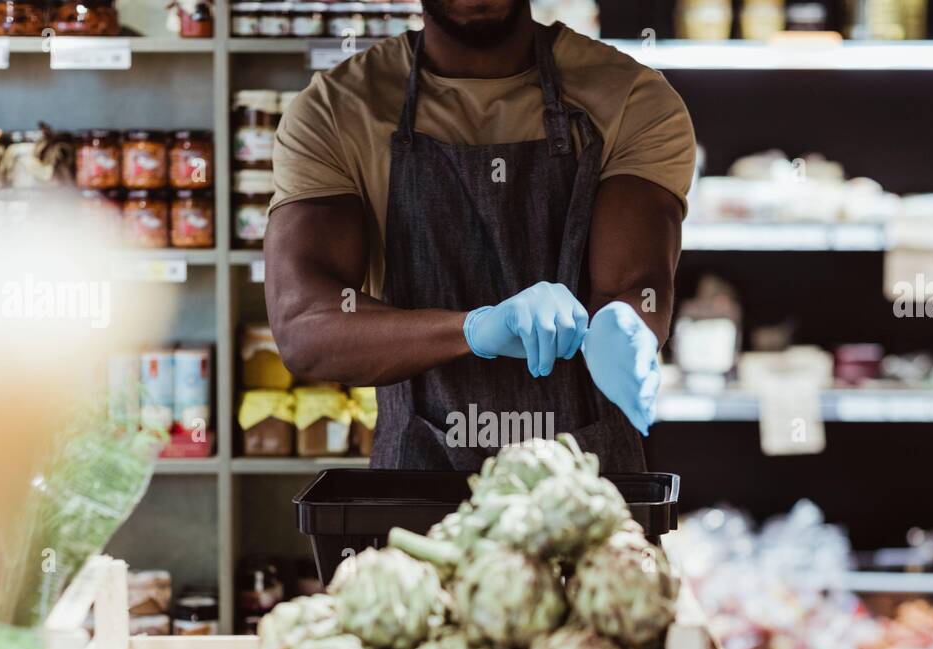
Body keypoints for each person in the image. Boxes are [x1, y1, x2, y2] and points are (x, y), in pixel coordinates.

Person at [265, 0, 695, 470]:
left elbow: (635, 287)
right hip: (416, 488)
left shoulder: (630, 98)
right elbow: (305, 325)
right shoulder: (339, 109)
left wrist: (625, 324)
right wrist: (475, 329)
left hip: (588, 488)